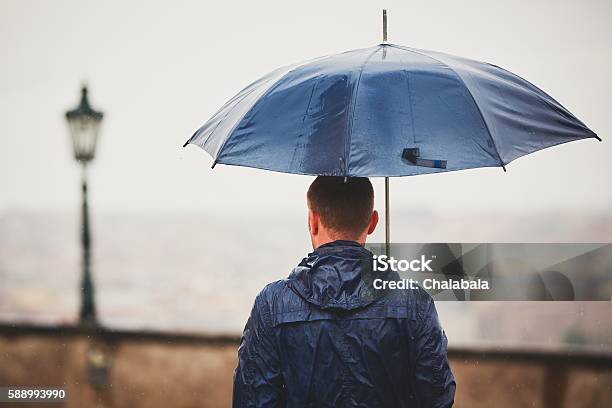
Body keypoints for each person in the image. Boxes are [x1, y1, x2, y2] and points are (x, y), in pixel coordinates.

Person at [233, 176, 455, 407]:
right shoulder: (415, 303)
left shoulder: (273, 304)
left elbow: (252, 400)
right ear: (373, 221)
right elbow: (437, 398)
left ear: (313, 220)